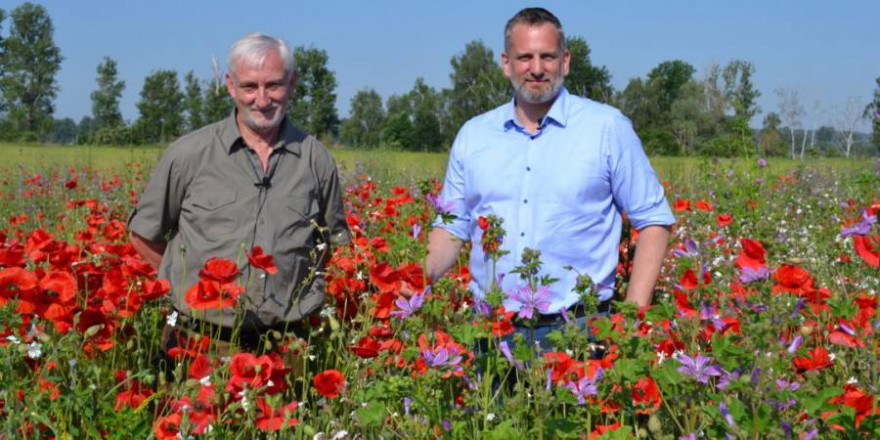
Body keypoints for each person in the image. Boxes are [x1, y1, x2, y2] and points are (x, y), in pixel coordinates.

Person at [426, 8, 675, 344]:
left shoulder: (606, 128)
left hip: (579, 328)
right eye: (525, 57)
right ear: (506, 63)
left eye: (548, 56)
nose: (537, 68)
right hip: (489, 328)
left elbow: (654, 221)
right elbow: (451, 227)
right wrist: (413, 280)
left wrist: (630, 319)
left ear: (566, 60)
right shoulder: (474, 135)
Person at [128, 33, 350, 369]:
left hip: (287, 345)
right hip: (201, 342)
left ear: (292, 84)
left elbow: (332, 244)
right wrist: (185, 285)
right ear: (230, 86)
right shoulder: (190, 154)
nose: (262, 100)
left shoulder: (315, 159)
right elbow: (143, 233)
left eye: (273, 85)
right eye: (249, 87)